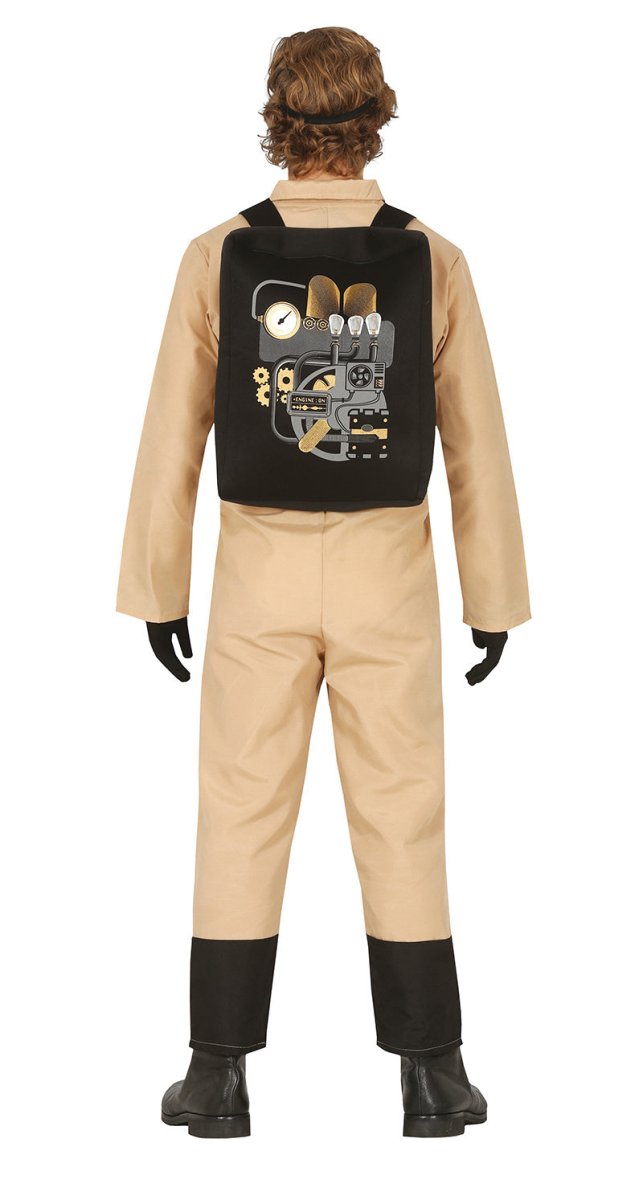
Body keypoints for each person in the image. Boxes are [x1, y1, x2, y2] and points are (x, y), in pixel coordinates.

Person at [116, 26, 530, 1139]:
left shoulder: (216, 254)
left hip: (256, 568)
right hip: (387, 572)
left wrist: (159, 587)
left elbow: (172, 437)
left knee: (239, 806)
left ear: (278, 119)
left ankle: (215, 1075)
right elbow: (475, 446)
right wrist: (492, 600)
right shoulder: (433, 259)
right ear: (375, 117)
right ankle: (432, 1076)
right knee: (402, 809)